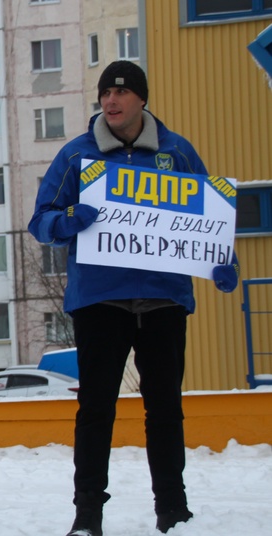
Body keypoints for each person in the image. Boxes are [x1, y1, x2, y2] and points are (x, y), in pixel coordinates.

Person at [28, 61, 239, 536]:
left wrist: (224, 267)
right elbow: (40, 220)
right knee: (96, 408)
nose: (111, 101)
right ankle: (87, 514)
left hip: (164, 299)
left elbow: (210, 220)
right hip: (99, 300)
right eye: (105, 93)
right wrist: (67, 222)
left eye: (121, 93)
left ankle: (173, 509)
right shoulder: (77, 156)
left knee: (164, 407)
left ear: (142, 99)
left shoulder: (177, 152)